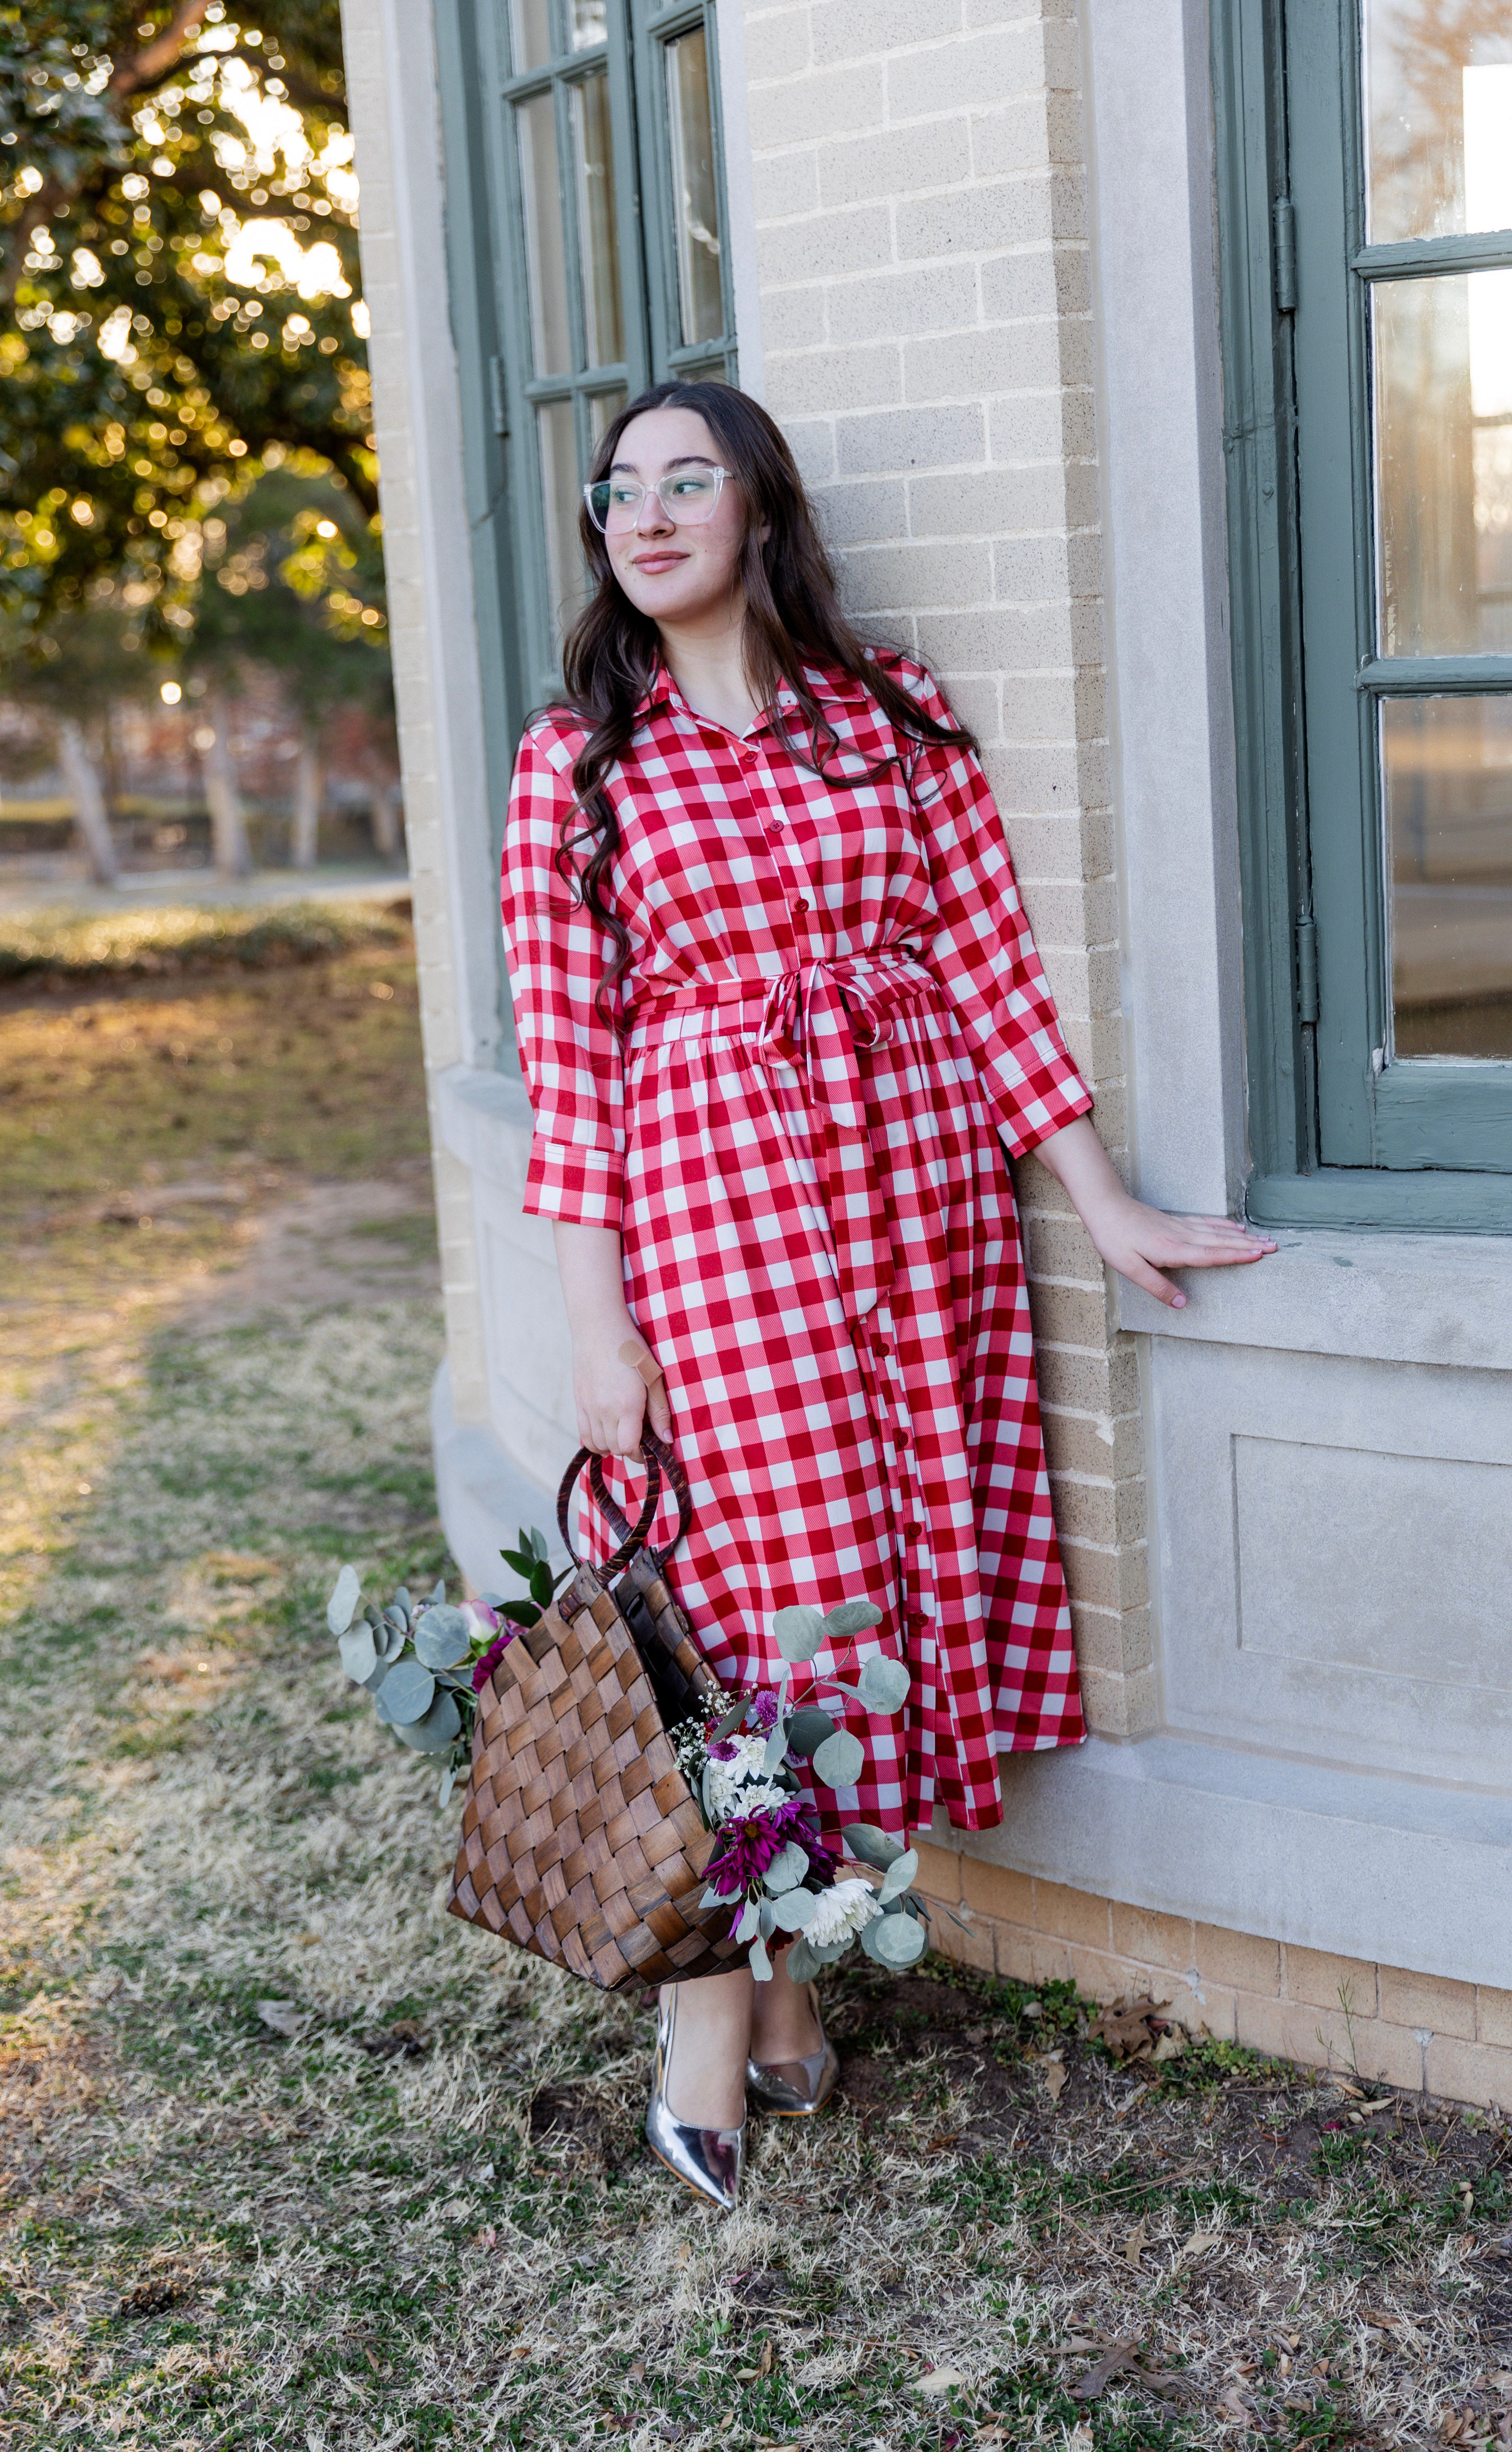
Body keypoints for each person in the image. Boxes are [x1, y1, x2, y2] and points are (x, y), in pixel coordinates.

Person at [500, 381, 1273, 2211]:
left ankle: (775, 1993)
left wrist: (1097, 1198)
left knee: (868, 1589)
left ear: (763, 511)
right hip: (718, 1208)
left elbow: (990, 961)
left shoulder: (888, 716)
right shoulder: (579, 761)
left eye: (693, 480)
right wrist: (597, 1332)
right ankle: (709, 2006)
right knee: (752, 1594)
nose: (651, 512)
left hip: (916, 1206)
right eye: (623, 489)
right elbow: (569, 1065)